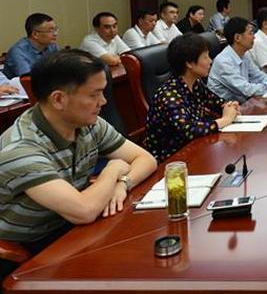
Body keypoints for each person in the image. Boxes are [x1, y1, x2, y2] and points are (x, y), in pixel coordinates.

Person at [0, 50, 156, 274]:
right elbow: (84, 211)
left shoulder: (88, 123)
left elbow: (145, 159)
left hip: (69, 226)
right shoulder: (21, 149)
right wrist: (112, 170)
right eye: (94, 94)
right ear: (58, 99)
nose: (103, 101)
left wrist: (123, 183)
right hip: (27, 248)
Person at [145, 34, 240, 161]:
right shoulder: (169, 95)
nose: (210, 61)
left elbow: (217, 102)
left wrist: (229, 106)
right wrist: (226, 119)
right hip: (171, 160)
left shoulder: (195, 83)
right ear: (189, 63)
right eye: (205, 57)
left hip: (196, 148)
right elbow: (188, 131)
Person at [208, 17, 267, 102]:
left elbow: (258, 76)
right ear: (237, 38)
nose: (254, 37)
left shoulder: (245, 54)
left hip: (242, 104)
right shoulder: (224, 62)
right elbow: (246, 89)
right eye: (250, 33)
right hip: (223, 109)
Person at [4, 13, 59, 78]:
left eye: (55, 29)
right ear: (35, 34)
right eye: (50, 31)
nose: (55, 34)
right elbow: (29, 79)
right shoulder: (18, 52)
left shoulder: (52, 46)